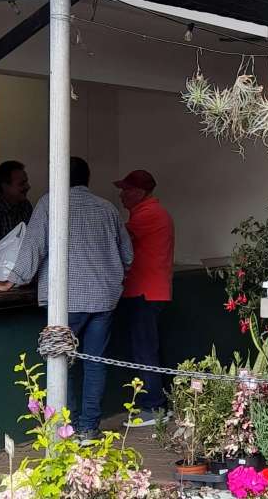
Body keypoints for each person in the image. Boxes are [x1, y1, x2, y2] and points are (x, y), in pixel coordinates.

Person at [0, 157, 133, 441]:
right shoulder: (107, 208)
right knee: (95, 363)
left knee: (60, 361)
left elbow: (33, 246)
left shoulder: (50, 203)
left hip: (66, 299)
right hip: (103, 299)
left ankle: (64, 431)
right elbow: (127, 255)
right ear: (87, 178)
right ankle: (89, 428)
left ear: (59, 175)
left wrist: (11, 280)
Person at [114, 169, 175, 426]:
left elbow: (117, 237)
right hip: (149, 291)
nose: (121, 195)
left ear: (139, 192)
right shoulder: (149, 212)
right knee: (146, 347)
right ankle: (157, 405)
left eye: (126, 190)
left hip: (145, 291)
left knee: (144, 349)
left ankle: (153, 408)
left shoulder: (148, 214)